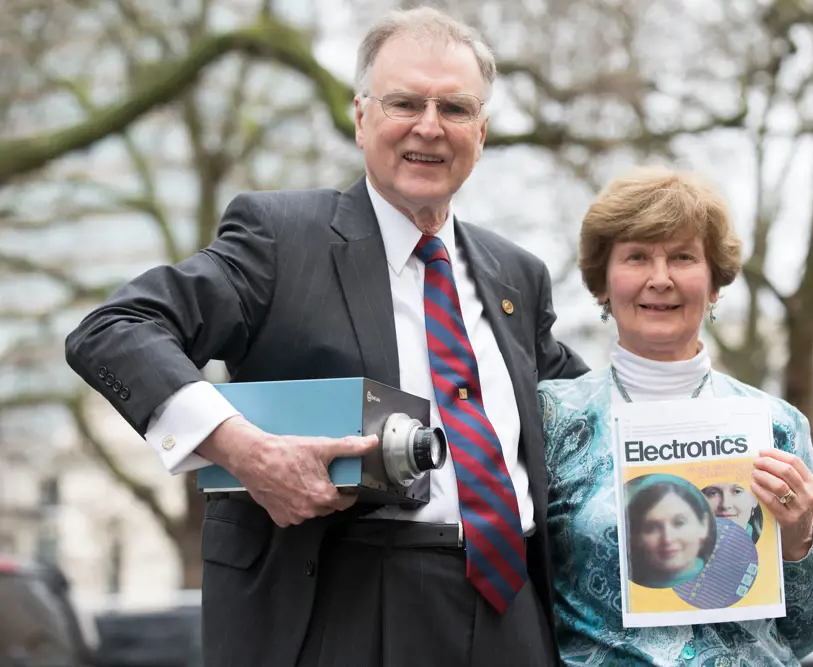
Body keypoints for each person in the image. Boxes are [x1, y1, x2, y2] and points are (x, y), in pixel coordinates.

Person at [65, 7, 588, 667]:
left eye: (454, 108)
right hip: (342, 608)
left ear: (480, 133)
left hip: (515, 611)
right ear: (361, 116)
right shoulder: (282, 240)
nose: (429, 125)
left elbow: (590, 411)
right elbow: (113, 330)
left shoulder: (518, 275)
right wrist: (242, 449)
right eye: (405, 102)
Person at [539, 166, 813, 665]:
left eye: (682, 257)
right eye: (637, 257)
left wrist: (797, 536)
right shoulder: (550, 417)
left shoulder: (777, 423)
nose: (661, 279)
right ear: (603, 284)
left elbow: (806, 634)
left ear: (715, 284)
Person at [626, 475, 717, 589]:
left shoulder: (722, 582)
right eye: (652, 528)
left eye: (679, 523)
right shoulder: (628, 591)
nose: (667, 539)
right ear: (636, 537)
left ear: (704, 525)